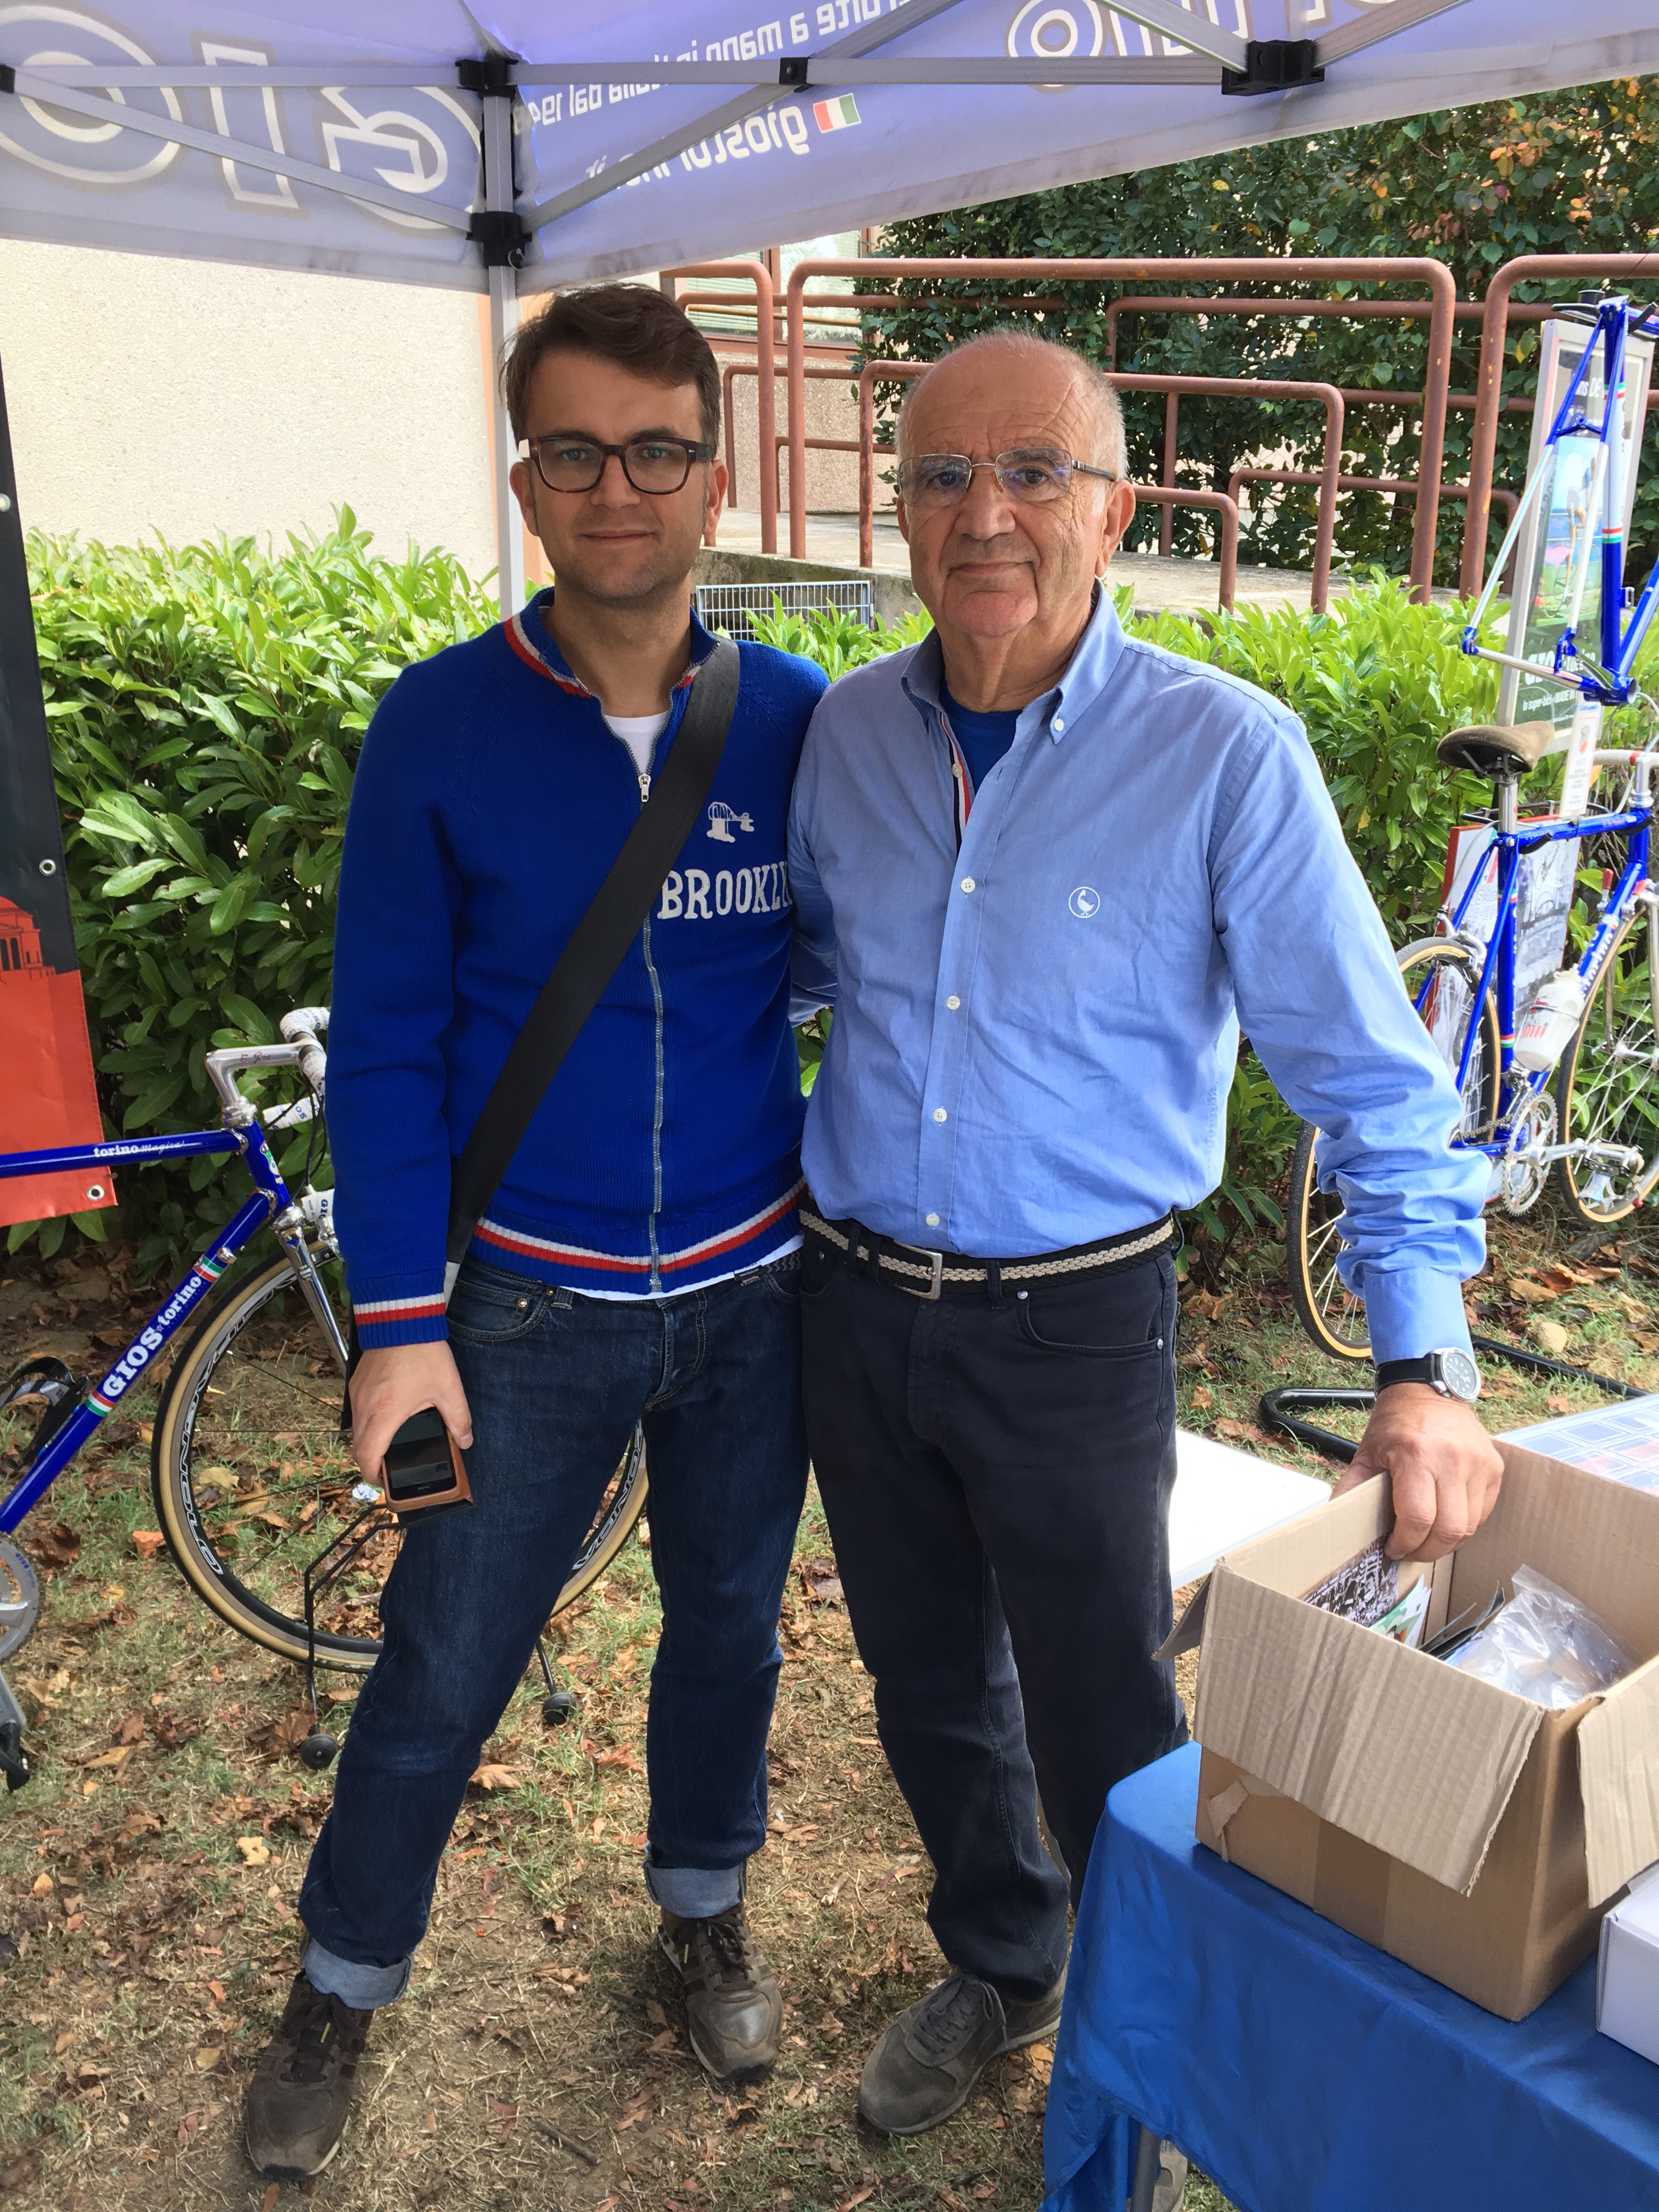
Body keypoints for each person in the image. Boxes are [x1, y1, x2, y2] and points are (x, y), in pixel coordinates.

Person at [786, 330, 1503, 2174]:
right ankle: (1006, 1957)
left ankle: (1147, 2042)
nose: (986, 515)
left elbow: (1375, 1080)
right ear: (900, 517)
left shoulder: (1221, 756)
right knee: (925, 1681)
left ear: (1112, 511)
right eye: (943, 476)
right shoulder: (842, 738)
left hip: (1076, 1328)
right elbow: (794, 980)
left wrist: (1423, 1368)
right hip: (852, 1307)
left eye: (1035, 472)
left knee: (1106, 1706)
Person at [244, 284, 827, 2180]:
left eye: (658, 451)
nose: (617, 487)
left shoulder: (798, 724)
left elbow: (872, 973)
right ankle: (341, 1983)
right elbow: (388, 1049)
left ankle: (702, 1907)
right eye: (575, 450)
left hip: (756, 1290)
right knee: (444, 1660)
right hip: (526, 1309)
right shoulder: (439, 724)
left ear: (717, 479)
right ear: (528, 481)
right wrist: (399, 1323)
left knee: (728, 1630)